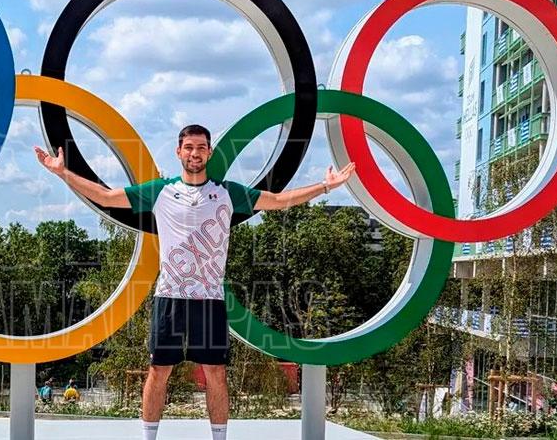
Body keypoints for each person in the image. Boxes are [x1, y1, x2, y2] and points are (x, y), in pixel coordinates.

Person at [36, 124, 355, 440]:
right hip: (169, 298)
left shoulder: (227, 193)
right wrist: (62, 173)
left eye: (201, 147)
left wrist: (324, 187)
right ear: (179, 152)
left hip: (210, 300)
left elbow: (277, 199)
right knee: (158, 371)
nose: (195, 153)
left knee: (216, 372)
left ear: (209, 152)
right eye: (189, 147)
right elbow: (106, 196)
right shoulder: (160, 191)